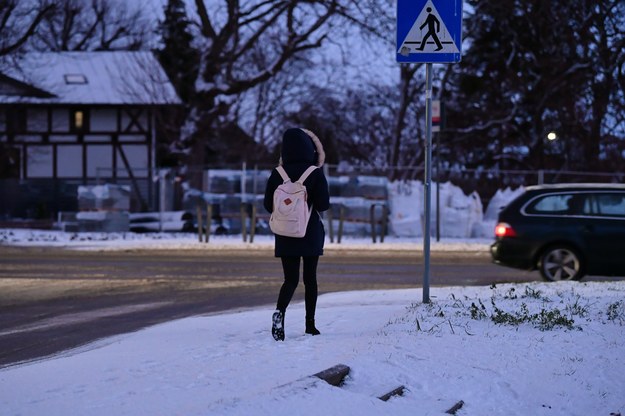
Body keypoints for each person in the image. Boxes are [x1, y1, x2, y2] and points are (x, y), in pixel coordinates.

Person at [264, 128, 330, 341]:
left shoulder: (277, 173)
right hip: (309, 232)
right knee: (310, 279)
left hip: (285, 233)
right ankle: (310, 325)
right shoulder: (314, 173)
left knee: (289, 280)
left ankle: (279, 313)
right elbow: (323, 205)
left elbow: (267, 205)